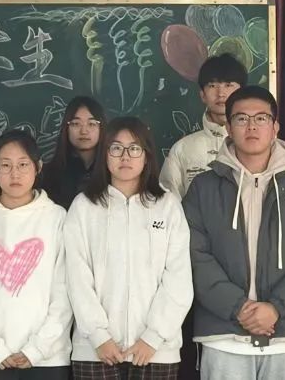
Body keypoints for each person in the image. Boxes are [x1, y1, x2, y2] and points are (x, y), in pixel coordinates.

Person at [182, 85, 285, 380]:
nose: (251, 126)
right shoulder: (203, 188)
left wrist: (276, 308)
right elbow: (195, 255)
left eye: (261, 118)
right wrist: (238, 307)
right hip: (223, 338)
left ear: (275, 127)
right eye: (241, 118)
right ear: (228, 128)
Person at [65, 117, 193, 380]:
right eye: (116, 148)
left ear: (146, 156)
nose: (125, 156)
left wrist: (153, 337)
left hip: (156, 351)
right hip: (96, 350)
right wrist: (99, 336)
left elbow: (179, 278)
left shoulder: (168, 206)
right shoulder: (84, 206)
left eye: (134, 148)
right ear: (104, 155)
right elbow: (76, 276)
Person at [0, 130, 72, 379]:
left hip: (47, 358)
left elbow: (65, 290)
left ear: (38, 167)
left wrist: (37, 348)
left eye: (23, 165)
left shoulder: (56, 217)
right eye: (5, 165)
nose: (15, 174)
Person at [159, 54, 246, 199]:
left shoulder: (256, 145)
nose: (221, 93)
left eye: (228, 85)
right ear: (202, 95)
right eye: (212, 86)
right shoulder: (182, 149)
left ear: (242, 92)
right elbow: (168, 205)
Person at [41, 97, 106, 209]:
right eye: (76, 124)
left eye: (91, 124)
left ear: (102, 127)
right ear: (66, 128)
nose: (84, 131)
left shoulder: (113, 172)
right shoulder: (49, 175)